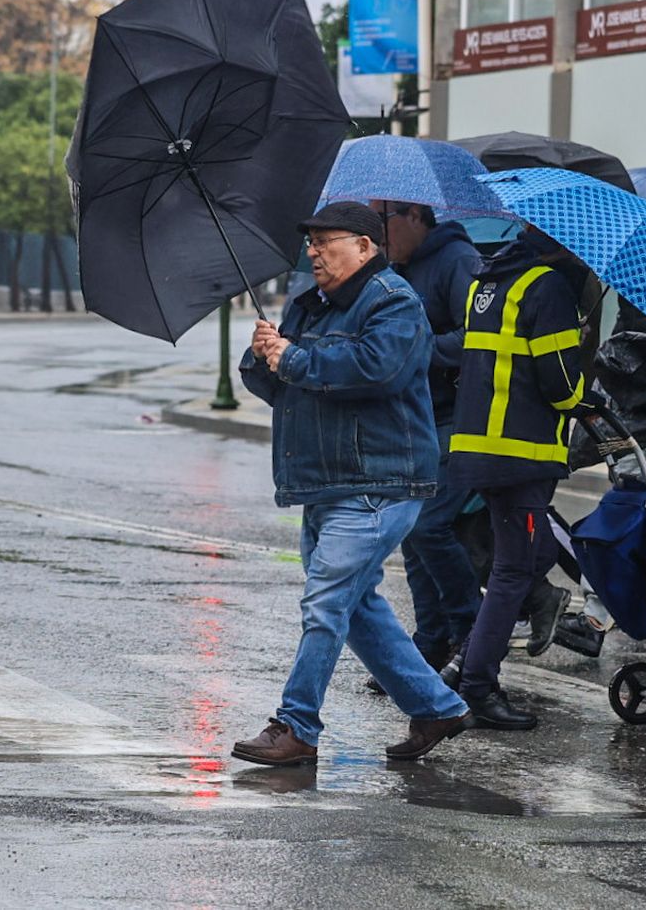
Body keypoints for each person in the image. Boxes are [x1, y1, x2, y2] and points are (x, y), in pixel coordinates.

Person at [230, 201, 470, 767]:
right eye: (310, 243)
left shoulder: (394, 301)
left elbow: (375, 369)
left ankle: (297, 725)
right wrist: (265, 357)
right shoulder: (308, 305)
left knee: (325, 603)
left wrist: (293, 358)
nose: (313, 252)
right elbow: (284, 389)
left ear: (364, 246)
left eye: (325, 241)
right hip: (324, 482)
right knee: (355, 606)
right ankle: (436, 707)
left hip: (377, 483)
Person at [448, 226, 587, 730]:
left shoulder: (488, 283)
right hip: (521, 453)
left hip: (480, 447)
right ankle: (477, 684)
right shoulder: (548, 287)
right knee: (513, 571)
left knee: (530, 555)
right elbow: (562, 386)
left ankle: (461, 665)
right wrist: (583, 384)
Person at [367, 201, 491, 674]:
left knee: (428, 526)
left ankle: (470, 634)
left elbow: (479, 334)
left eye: (384, 220)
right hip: (417, 419)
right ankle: (431, 641)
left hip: (457, 417)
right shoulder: (398, 267)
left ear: (416, 215)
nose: (379, 232)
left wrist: (421, 349)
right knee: (413, 536)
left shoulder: (457, 260)